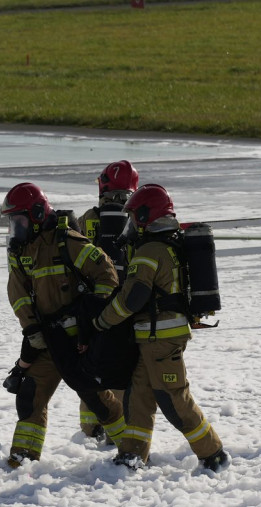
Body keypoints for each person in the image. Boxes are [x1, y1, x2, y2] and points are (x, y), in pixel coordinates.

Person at [92, 184, 229, 473]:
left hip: (162, 340)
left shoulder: (150, 250)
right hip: (153, 338)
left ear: (145, 216)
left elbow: (132, 298)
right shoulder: (163, 245)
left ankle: (213, 453)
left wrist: (102, 321)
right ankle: (132, 454)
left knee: (174, 399)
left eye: (133, 217)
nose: (130, 224)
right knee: (138, 398)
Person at [2, 182, 126, 468]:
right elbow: (18, 295)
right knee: (30, 395)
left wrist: (90, 320)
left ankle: (130, 447)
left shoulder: (67, 242)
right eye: (13, 221)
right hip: (47, 340)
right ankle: (23, 458)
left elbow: (107, 275)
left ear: (36, 214)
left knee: (97, 400)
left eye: (19, 220)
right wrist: (31, 330)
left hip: (78, 342)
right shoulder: (21, 252)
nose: (15, 227)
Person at [74, 160, 140, 441]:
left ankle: (91, 430)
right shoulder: (137, 218)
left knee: (90, 368)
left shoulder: (87, 219)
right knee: (122, 370)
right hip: (126, 307)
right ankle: (118, 432)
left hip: (91, 306)